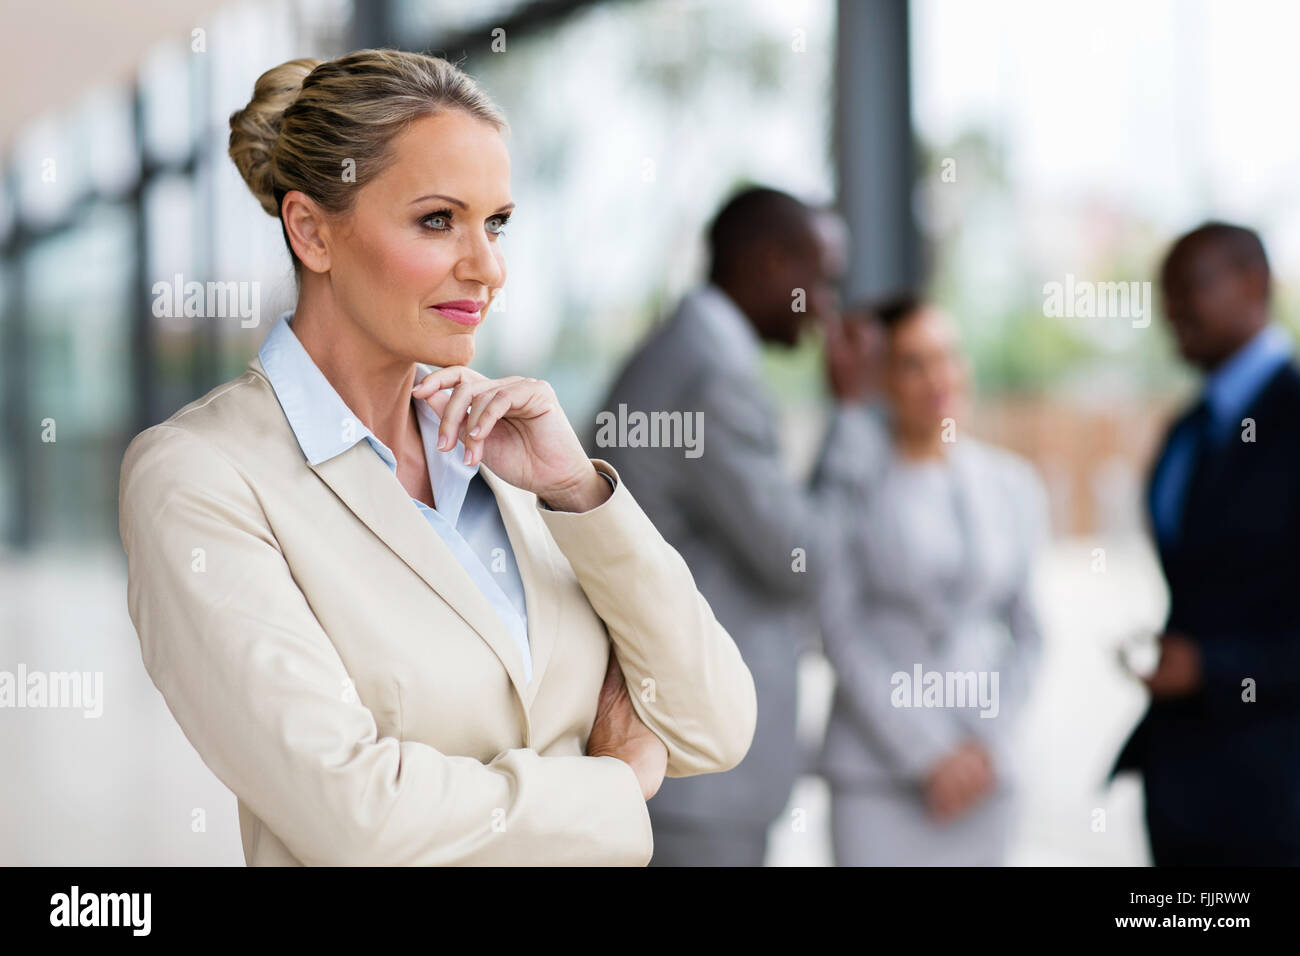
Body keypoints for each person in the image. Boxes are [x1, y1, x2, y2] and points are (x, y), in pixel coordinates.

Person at [117, 50, 756, 867]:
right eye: (436, 220)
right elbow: (356, 818)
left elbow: (714, 722)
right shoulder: (200, 477)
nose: (487, 268)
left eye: (496, 223)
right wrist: (617, 784)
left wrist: (577, 493)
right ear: (311, 231)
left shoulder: (509, 452)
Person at [590, 187, 878, 865]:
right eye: (823, 277)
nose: (829, 304)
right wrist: (853, 416)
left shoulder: (681, 352)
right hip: (696, 778)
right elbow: (802, 558)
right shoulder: (713, 376)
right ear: (769, 262)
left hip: (673, 764)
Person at [816, 295, 1048, 866]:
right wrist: (927, 754)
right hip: (876, 773)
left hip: (985, 770)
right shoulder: (851, 485)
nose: (938, 378)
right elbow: (838, 630)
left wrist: (983, 744)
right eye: (913, 363)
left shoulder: (1013, 484)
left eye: (948, 356)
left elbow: (1030, 633)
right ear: (881, 380)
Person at [1109, 222, 1300, 865]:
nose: (1171, 309)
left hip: (1277, 794)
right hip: (1182, 788)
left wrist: (1213, 666)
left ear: (1255, 283)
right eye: (1164, 292)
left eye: (1190, 286)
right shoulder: (1188, 428)